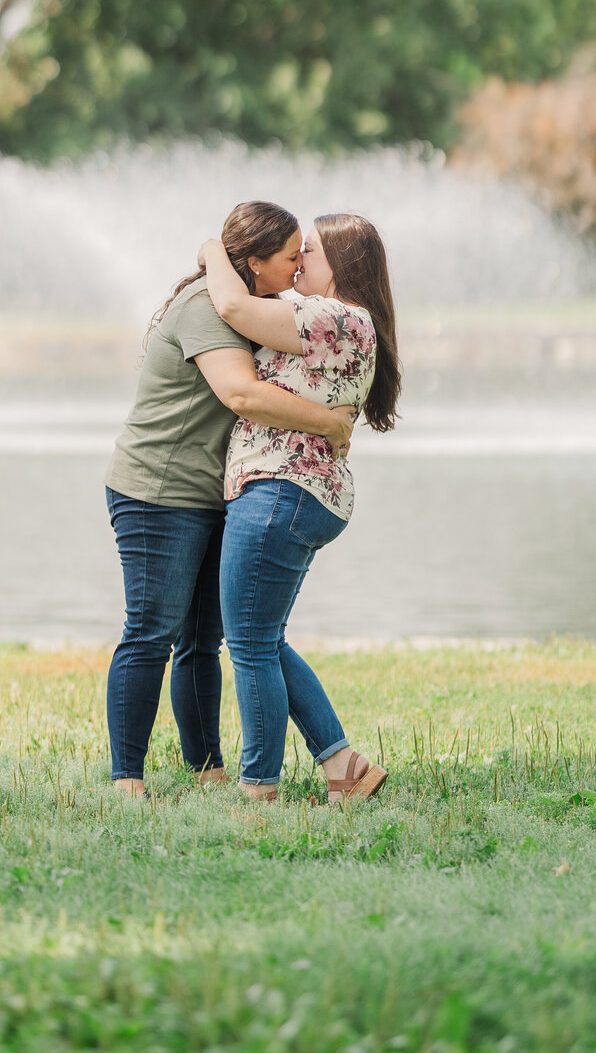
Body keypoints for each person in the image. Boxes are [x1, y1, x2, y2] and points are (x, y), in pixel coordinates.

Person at [104, 201, 357, 796]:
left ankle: (208, 767)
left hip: (217, 497)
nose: (299, 269)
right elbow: (242, 394)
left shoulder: (260, 307)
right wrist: (331, 424)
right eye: (291, 257)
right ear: (252, 262)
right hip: (158, 491)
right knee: (151, 631)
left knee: (202, 639)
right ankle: (126, 779)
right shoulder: (207, 309)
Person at [200, 213, 401, 804]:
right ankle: (345, 766)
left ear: (343, 265)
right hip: (298, 495)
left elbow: (234, 310)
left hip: (279, 490)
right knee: (262, 637)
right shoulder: (350, 321)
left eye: (308, 251)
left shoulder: (333, 315)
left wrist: (212, 247)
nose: (297, 261)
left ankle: (258, 788)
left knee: (252, 645)